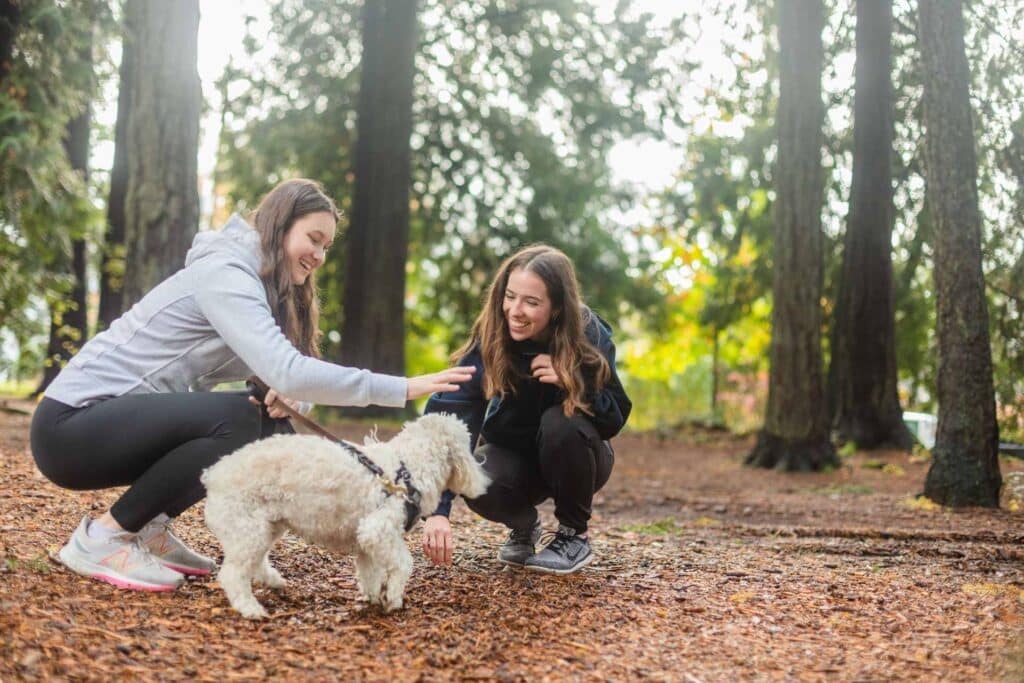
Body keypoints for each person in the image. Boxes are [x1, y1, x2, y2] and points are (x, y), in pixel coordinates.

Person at [30, 178, 474, 592]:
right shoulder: (226, 273)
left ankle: (149, 527)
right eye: (313, 239)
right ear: (280, 226)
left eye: (326, 246)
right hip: (70, 424)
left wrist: (286, 395)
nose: (319, 255)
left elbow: (281, 377)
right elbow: (287, 370)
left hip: (107, 425)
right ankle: (103, 538)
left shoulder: (260, 289)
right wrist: (402, 388)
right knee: (241, 416)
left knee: (259, 419)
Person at [420, 245, 631, 575]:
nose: (515, 310)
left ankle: (573, 536)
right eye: (510, 296)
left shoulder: (587, 333)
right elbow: (450, 417)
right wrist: (436, 509)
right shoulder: (492, 339)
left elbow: (614, 416)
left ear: (558, 307)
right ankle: (525, 526)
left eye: (531, 302)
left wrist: (573, 383)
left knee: (560, 421)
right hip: (516, 460)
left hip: (580, 454)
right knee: (474, 474)